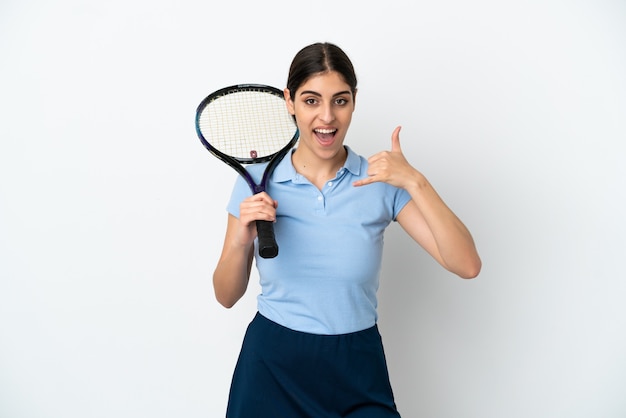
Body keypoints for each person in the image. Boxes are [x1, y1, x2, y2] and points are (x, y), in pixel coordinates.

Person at [213, 42, 481, 417]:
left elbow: (466, 264)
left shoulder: (381, 182)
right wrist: (242, 241)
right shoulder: (256, 182)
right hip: (272, 367)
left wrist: (415, 181)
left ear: (353, 101)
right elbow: (226, 295)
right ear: (289, 102)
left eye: (340, 100)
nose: (327, 117)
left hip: (356, 365)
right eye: (311, 101)